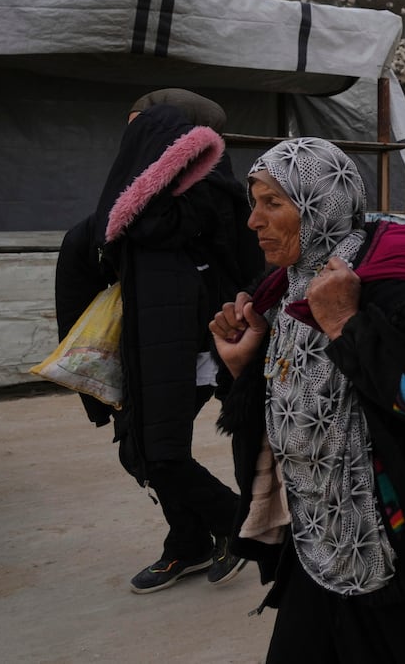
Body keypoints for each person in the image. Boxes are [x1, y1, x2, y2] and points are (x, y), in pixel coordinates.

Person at [210, 138, 405, 662]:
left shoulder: (401, 293)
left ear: (318, 203)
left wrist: (348, 325)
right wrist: (243, 368)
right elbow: (288, 420)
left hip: (403, 553)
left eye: (272, 203)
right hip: (317, 543)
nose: (253, 221)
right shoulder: (282, 294)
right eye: (253, 203)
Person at [55, 93, 264, 594]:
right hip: (147, 345)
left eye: (142, 129)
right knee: (138, 450)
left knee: (162, 452)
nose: (131, 142)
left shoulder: (208, 194)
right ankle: (189, 541)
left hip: (193, 347)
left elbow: (241, 260)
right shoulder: (135, 203)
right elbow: (92, 243)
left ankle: (240, 526)